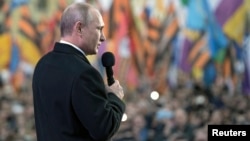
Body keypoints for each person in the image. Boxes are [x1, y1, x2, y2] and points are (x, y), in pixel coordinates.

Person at [32, 2, 125, 141]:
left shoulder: (42, 64)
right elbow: (104, 129)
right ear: (79, 28)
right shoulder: (84, 73)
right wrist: (115, 98)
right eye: (99, 29)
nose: (103, 37)